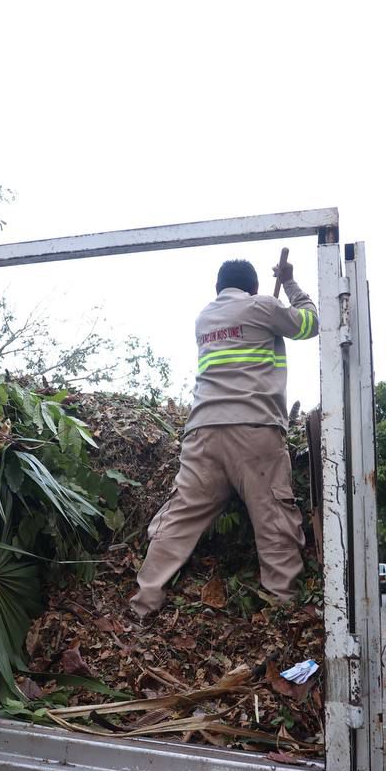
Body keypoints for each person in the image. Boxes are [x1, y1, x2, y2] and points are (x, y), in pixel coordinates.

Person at [129, 258, 318, 619]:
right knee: (273, 518)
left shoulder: (205, 318)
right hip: (254, 429)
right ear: (253, 287)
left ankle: (144, 602)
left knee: (180, 519)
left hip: (202, 433)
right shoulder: (263, 306)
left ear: (218, 288)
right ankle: (284, 610)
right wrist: (290, 284)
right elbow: (310, 322)